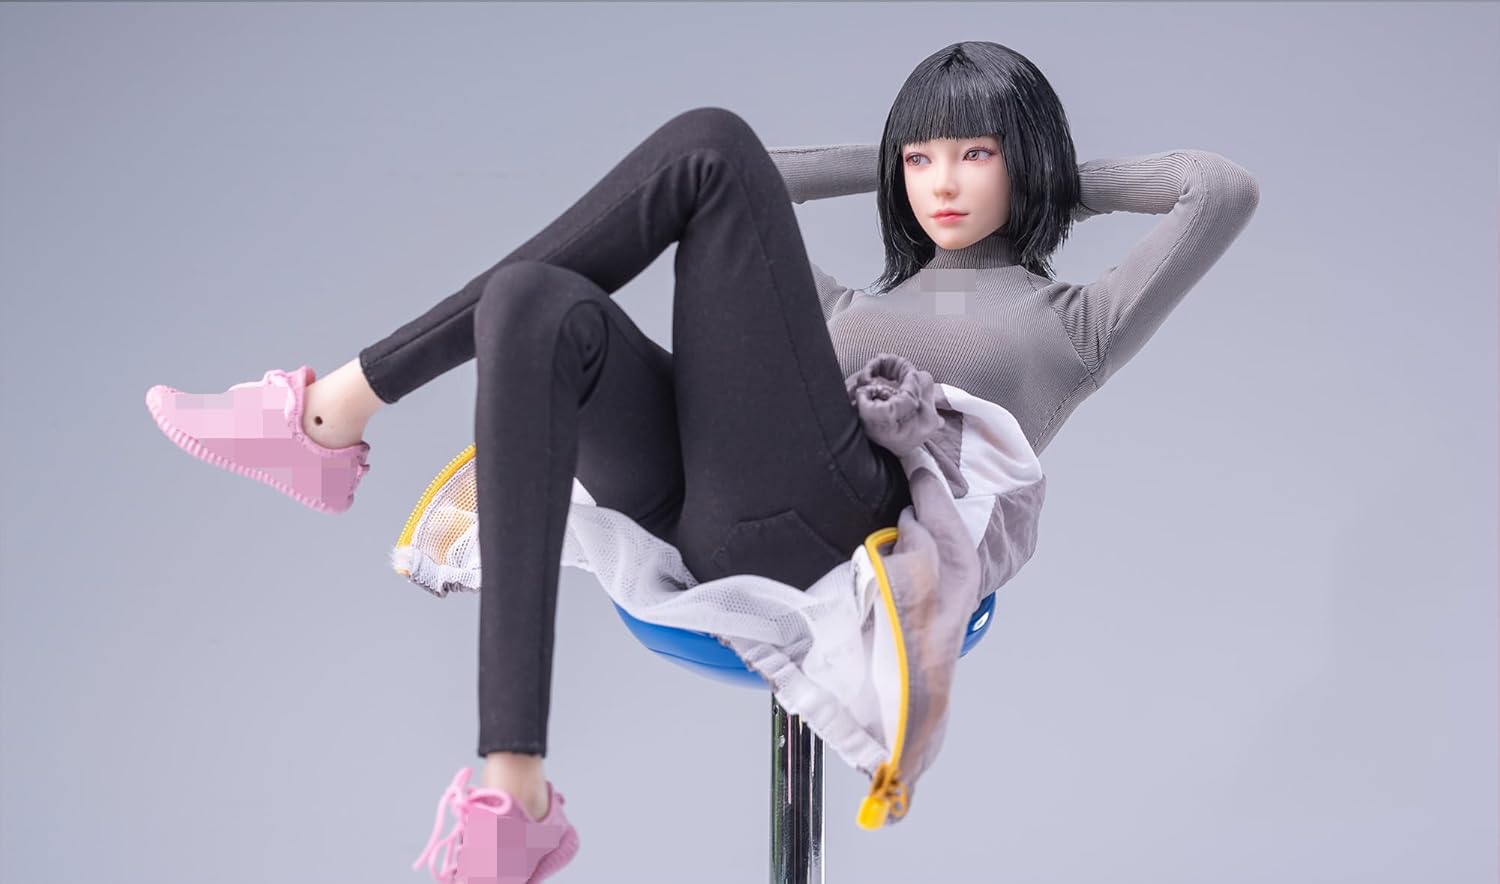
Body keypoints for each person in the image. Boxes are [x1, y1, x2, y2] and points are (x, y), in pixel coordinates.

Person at [143, 39, 1258, 884]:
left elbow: (1217, 188)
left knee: (709, 141)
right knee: (535, 301)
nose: (942, 181)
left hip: (848, 534)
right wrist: (890, 159)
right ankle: (514, 794)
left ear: (1024, 161)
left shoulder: (1075, 323)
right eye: (919, 157)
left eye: (976, 153)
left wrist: (1053, 173)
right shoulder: (850, 305)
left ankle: (327, 412)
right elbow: (750, 180)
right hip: (704, 507)